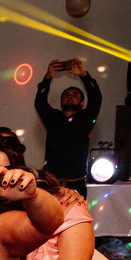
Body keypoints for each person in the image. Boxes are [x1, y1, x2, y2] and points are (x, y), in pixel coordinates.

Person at [34, 59, 102, 198]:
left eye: (75, 95)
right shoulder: (52, 118)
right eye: (67, 95)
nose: (70, 97)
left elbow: (96, 97)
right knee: (50, 217)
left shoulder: (85, 118)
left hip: (76, 183)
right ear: (61, 101)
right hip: (52, 182)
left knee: (76, 218)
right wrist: (48, 77)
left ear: (81, 103)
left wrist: (83, 74)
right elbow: (40, 102)